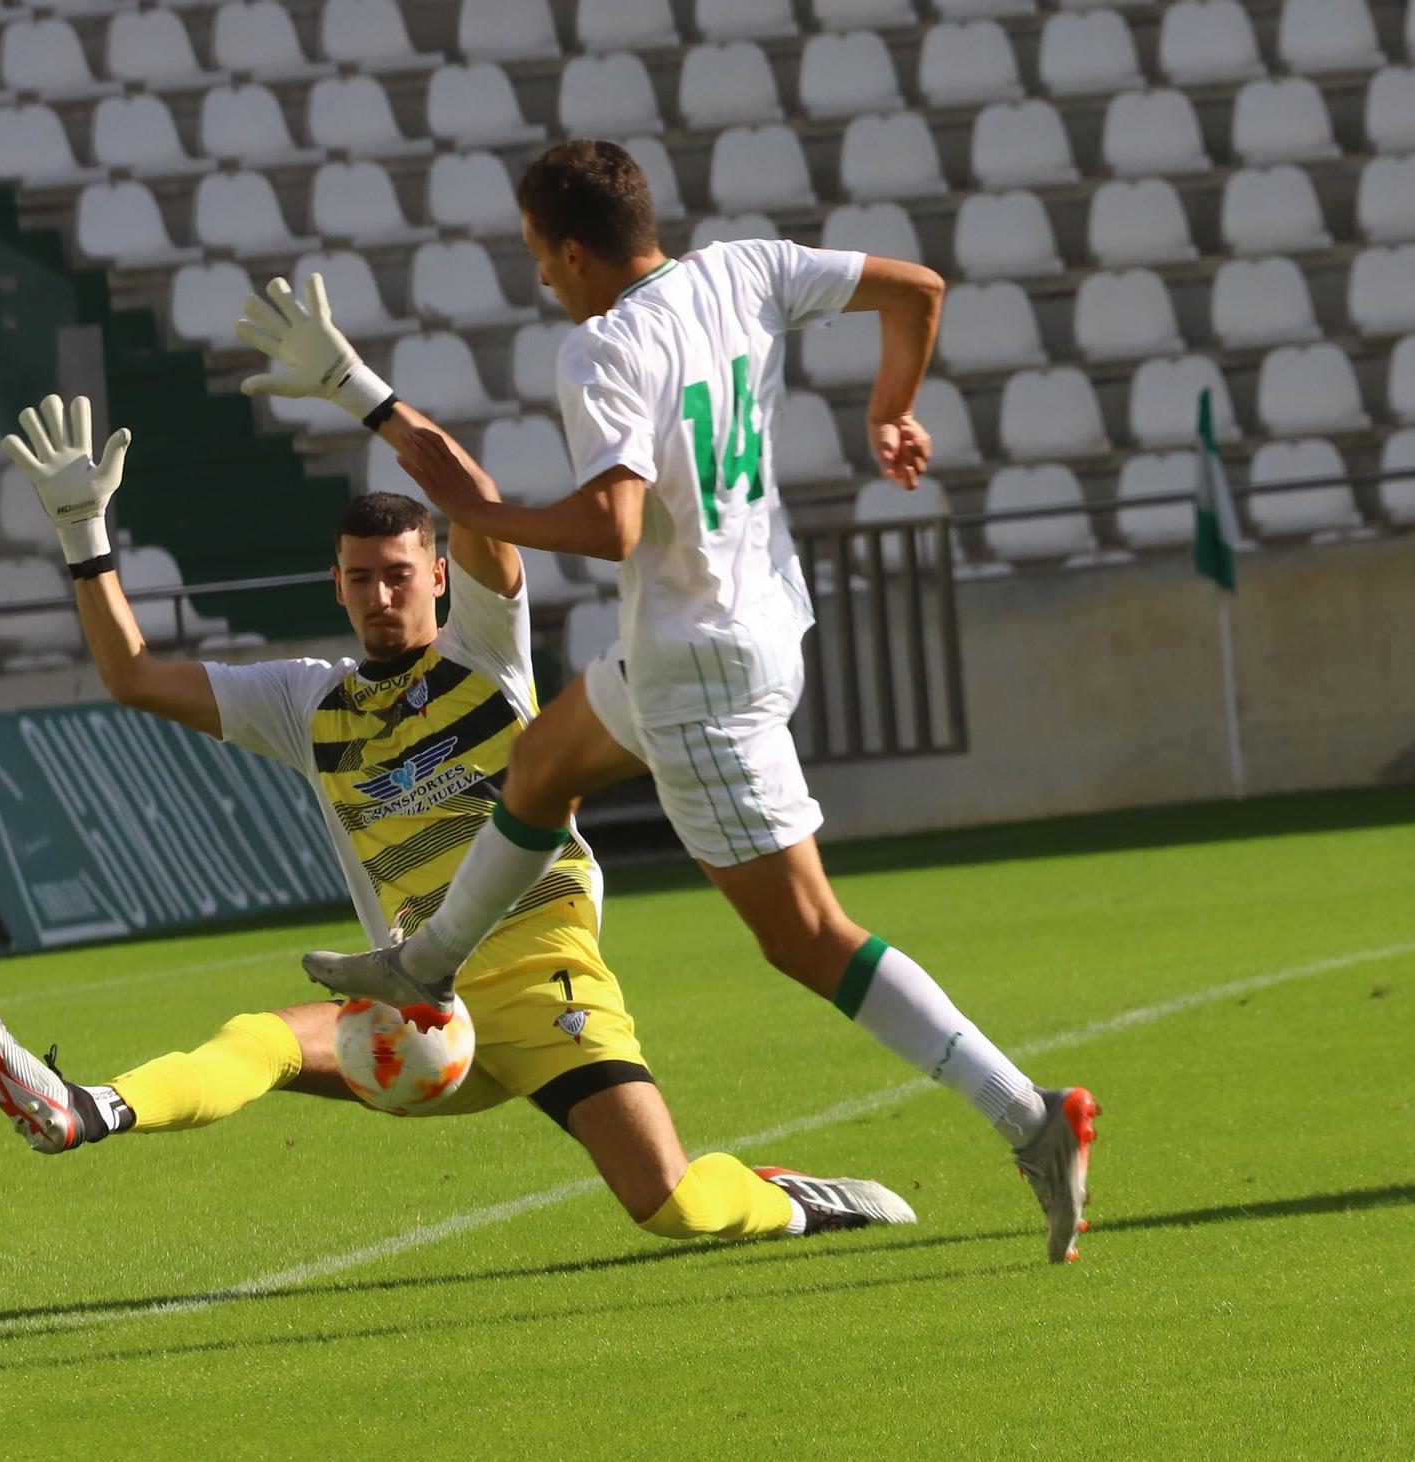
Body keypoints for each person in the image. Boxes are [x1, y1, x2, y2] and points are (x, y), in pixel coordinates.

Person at [243, 141, 1099, 1262]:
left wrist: (498, 521)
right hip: (742, 629)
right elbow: (916, 291)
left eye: (539, 259)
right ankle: (429, 958)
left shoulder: (600, 346)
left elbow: (612, 526)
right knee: (540, 763)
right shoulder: (743, 267)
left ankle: (1027, 1116)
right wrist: (890, 407)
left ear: (571, 250)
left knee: (806, 937)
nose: (541, 280)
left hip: (697, 676)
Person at [0, 388, 918, 1244]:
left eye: (400, 574)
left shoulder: (486, 653)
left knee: (670, 1204)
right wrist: (85, 535)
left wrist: (363, 392)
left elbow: (479, 511)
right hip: (419, 1003)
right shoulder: (305, 702)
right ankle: (87, 1109)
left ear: (439, 575)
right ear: (335, 584)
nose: (381, 594)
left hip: (542, 973)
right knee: (265, 1037)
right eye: (361, 578)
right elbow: (130, 675)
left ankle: (793, 1202)